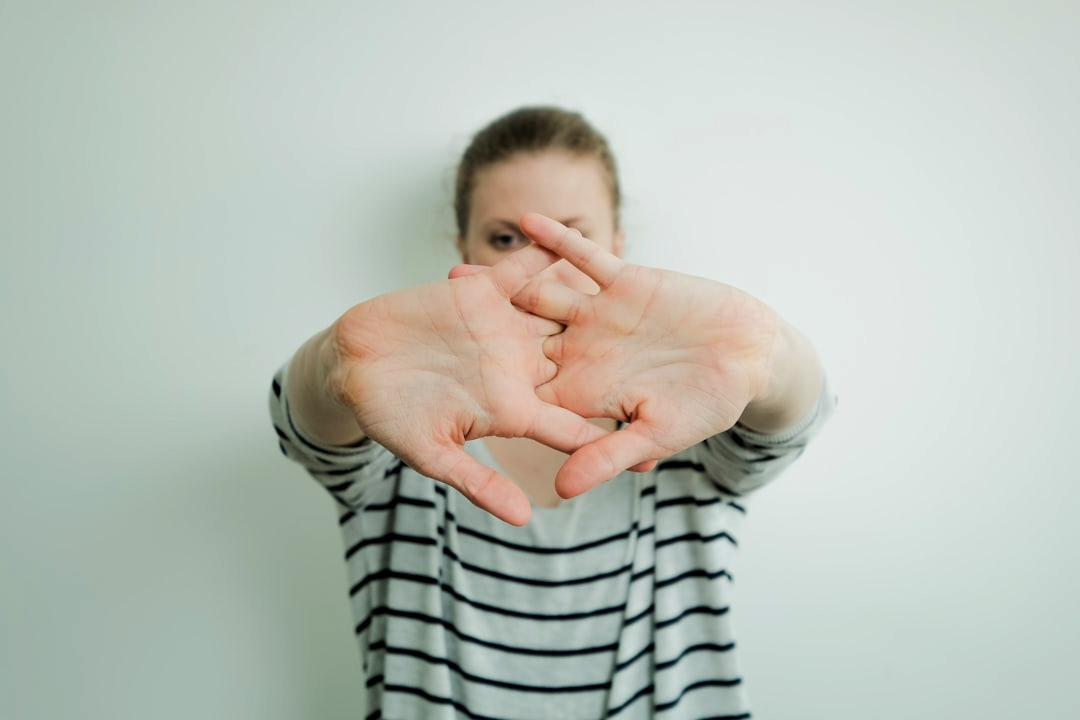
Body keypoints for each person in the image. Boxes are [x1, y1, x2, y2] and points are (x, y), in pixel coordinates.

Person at [269, 106, 833, 719]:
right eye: (505, 239)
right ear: (463, 248)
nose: (544, 266)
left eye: (573, 237)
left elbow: (788, 420)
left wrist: (765, 355)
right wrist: (337, 364)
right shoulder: (402, 424)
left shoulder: (688, 422)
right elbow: (306, 422)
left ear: (617, 244)